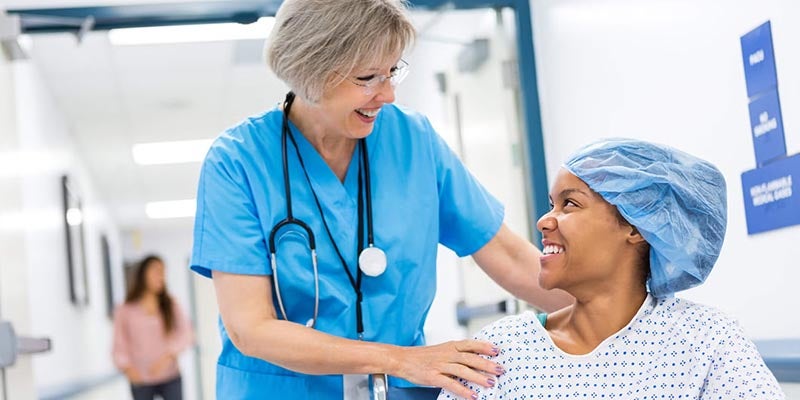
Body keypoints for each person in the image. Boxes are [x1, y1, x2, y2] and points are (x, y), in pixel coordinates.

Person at [189, 0, 571, 398]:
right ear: (310, 71)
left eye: (392, 72)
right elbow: (251, 328)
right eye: (368, 77)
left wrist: (621, 307)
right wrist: (398, 359)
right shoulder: (238, 162)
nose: (387, 94)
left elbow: (509, 257)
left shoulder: (413, 142)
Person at [439, 138, 785, 399]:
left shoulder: (706, 341)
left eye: (569, 204)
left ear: (637, 226)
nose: (544, 221)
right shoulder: (498, 351)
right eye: (551, 205)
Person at [113, 255, 194, 400]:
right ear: (143, 274)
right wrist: (127, 369)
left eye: (163, 272)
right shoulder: (125, 310)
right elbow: (119, 344)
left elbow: (187, 334)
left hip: (170, 377)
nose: (161, 276)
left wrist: (169, 356)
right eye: (156, 271)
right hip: (140, 379)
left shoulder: (171, 305)